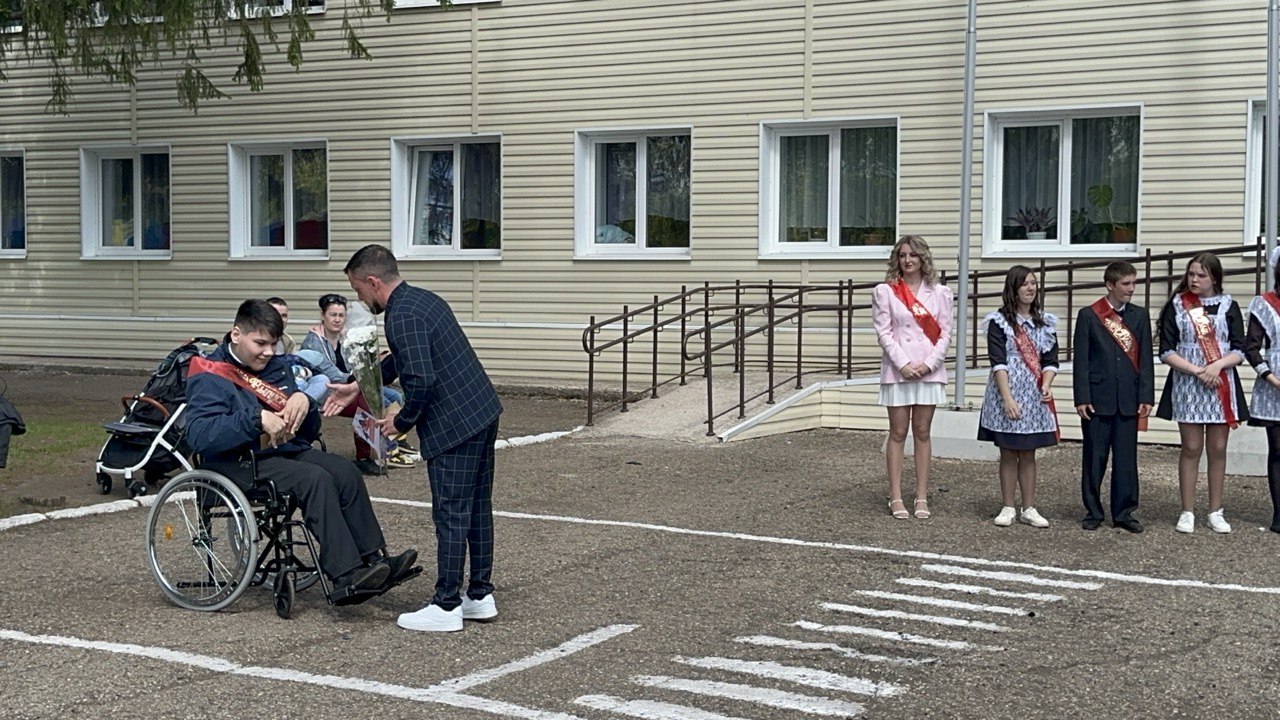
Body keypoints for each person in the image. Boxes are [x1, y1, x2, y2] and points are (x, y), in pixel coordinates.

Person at [184, 299, 418, 604]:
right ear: (236, 334)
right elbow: (200, 436)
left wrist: (305, 403)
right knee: (314, 478)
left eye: (274, 344)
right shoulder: (208, 373)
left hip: (283, 451)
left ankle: (375, 560)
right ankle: (345, 575)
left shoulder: (277, 366)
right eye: (260, 343)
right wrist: (256, 419)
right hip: (237, 463)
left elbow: (307, 434)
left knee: (345, 471)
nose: (269, 352)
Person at [330, 244, 503, 633]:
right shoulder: (422, 300)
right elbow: (404, 358)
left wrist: (401, 421)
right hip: (481, 411)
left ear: (373, 281)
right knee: (476, 507)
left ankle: (446, 604)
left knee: (450, 512)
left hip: (453, 425)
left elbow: (422, 379)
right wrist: (357, 384)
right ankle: (479, 595)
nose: (360, 298)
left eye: (358, 289)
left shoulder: (400, 315)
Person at [1156, 253, 1248, 534]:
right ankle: (1187, 511)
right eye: (1191, 274)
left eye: (1201, 275)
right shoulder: (1177, 305)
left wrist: (1217, 365)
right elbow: (1166, 350)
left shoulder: (1229, 306)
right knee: (1191, 447)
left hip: (1220, 382)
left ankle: (1215, 511)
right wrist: (1197, 370)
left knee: (1217, 449)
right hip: (1189, 382)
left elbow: (1240, 349)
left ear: (1214, 278)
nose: (1194, 280)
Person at [871, 235, 954, 520]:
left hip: (928, 370)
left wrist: (929, 364)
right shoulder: (886, 291)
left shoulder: (941, 293)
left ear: (923, 258)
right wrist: (903, 363)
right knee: (897, 432)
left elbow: (945, 334)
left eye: (913, 255)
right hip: (898, 370)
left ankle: (921, 496)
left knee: (922, 432)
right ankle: (895, 496)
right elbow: (884, 332)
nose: (908, 260)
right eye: (903, 255)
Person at [1072, 261, 1155, 533]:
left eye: (1134, 283)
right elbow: (1081, 360)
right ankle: (1093, 511)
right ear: (1110, 285)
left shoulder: (1140, 316)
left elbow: (1145, 360)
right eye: (1126, 284)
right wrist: (1082, 397)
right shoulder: (1089, 315)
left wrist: (1146, 395)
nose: (1132, 289)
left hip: (1129, 399)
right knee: (1094, 458)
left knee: (1126, 460)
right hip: (1097, 399)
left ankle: (1124, 512)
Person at [977, 266, 1059, 528]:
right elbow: (998, 362)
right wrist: (1007, 398)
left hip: (1033, 393)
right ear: (1013, 289)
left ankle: (1029, 507)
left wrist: (1046, 384)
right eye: (1024, 284)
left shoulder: (1045, 322)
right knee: (1009, 451)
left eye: (1033, 283)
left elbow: (1051, 360)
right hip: (1007, 390)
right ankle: (1008, 506)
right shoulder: (999, 322)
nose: (1030, 288)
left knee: (1028, 452)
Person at [301, 294, 415, 473]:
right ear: (323, 316)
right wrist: (361, 378)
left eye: (341, 315)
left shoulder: (343, 338)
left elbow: (355, 366)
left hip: (351, 386)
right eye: (333, 315)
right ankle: (365, 457)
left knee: (394, 396)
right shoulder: (314, 342)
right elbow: (333, 374)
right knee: (366, 404)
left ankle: (395, 442)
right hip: (329, 393)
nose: (337, 319)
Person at [1244, 248, 1280, 534]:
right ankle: (1279, 513)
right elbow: (1252, 348)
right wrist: (1272, 378)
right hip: (1274, 385)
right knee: (1278, 450)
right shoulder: (1264, 304)